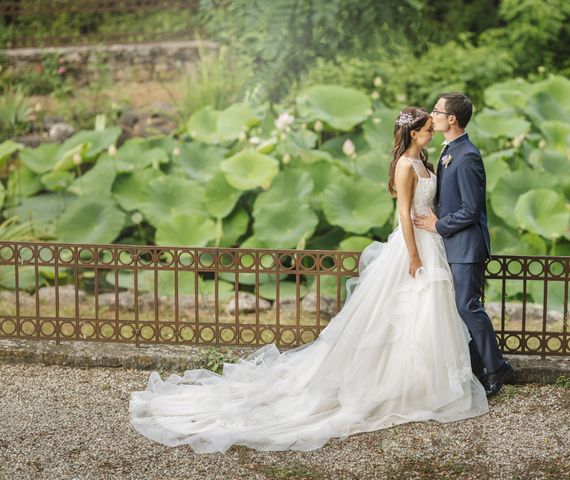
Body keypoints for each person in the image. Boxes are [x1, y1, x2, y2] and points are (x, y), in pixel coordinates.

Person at [129, 107, 488, 454]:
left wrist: (438, 229)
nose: (431, 132)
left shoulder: (427, 161)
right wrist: (412, 254)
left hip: (433, 240)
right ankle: (398, 382)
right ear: (414, 133)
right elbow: (404, 214)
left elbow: (433, 206)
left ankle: (424, 381)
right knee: (400, 311)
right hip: (412, 245)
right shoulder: (405, 167)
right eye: (427, 129)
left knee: (427, 311)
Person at [413, 93, 513, 397]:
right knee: (457, 308)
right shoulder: (449, 151)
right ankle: (476, 365)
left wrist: (438, 225)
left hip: (467, 246)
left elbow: (472, 209)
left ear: (451, 118)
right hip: (453, 245)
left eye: (437, 111)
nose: (433, 115)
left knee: (467, 306)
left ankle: (496, 367)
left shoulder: (468, 155)